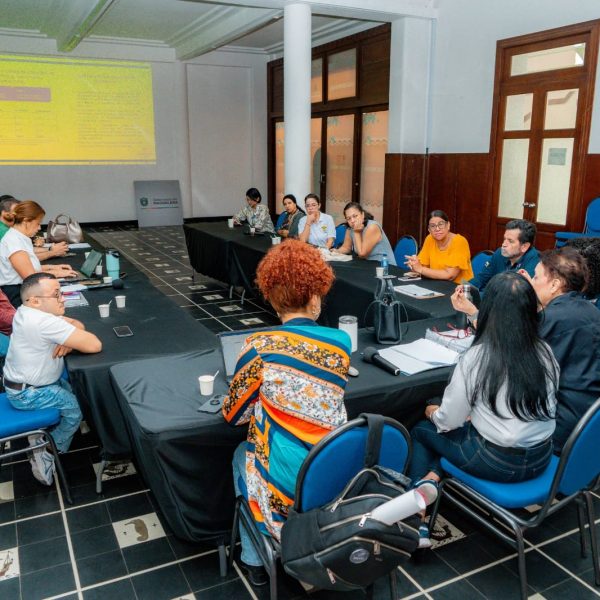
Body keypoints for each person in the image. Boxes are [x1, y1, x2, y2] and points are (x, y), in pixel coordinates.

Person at [222, 239, 350, 586]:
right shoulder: (341, 344)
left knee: (240, 455)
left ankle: (255, 560)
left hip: (286, 484)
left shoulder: (259, 347)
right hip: (332, 471)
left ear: (272, 298)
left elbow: (233, 415)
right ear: (315, 296)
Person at [409, 272, 559, 547]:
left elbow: (447, 422)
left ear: (489, 311)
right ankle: (433, 477)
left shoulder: (478, 356)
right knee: (462, 431)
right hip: (542, 457)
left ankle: (414, 518)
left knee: (422, 430)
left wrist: (432, 412)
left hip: (496, 463)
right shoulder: (546, 352)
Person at [3, 273, 102, 485]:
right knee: (76, 409)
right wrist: (71, 340)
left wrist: (68, 340)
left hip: (24, 385)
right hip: (30, 393)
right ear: (35, 300)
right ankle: (46, 450)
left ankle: (43, 433)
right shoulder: (42, 322)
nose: (63, 298)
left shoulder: (26, 311)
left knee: (79, 389)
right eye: (56, 294)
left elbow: (76, 324)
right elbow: (94, 344)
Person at [519, 247, 600, 452]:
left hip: (559, 427)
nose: (532, 283)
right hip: (590, 422)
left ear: (555, 285)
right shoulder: (592, 311)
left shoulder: (551, 319)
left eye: (536, 277)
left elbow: (519, 369)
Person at [0, 201, 76, 307]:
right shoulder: (14, 242)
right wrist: (56, 274)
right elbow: (30, 277)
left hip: (22, 290)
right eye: (38, 223)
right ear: (26, 221)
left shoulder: (19, 237)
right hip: (17, 295)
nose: (39, 227)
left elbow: (28, 267)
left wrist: (52, 267)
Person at [470, 219, 539, 292]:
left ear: (524, 247)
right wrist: (465, 288)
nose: (503, 244)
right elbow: (482, 277)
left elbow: (516, 293)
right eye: (504, 239)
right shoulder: (499, 253)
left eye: (510, 241)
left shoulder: (536, 261)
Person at [405, 210, 473, 283]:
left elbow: (450, 276)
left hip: (459, 287)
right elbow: (423, 267)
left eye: (441, 224)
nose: (437, 229)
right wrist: (414, 264)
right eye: (433, 226)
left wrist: (420, 269)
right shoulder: (430, 239)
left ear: (448, 225)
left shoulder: (459, 241)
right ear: (429, 230)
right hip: (436, 283)